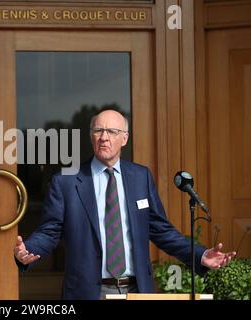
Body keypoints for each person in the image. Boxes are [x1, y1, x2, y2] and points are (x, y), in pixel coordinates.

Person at [14, 108, 236, 300]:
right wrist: (29, 250)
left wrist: (200, 254)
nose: (104, 137)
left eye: (112, 131)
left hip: (136, 289)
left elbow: (161, 230)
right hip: (88, 291)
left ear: (125, 138)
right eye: (98, 130)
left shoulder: (140, 177)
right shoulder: (66, 181)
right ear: (91, 137)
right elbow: (50, 231)